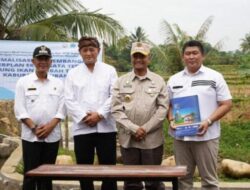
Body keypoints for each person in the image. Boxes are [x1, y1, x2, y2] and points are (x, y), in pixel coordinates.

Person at [167, 40, 232, 190]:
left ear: (202, 56)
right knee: (183, 179)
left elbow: (226, 104)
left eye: (195, 53)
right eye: (188, 53)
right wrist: (171, 119)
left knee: (209, 180)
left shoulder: (215, 77)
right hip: (181, 137)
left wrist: (208, 121)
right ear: (183, 57)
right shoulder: (174, 79)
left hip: (206, 136)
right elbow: (168, 104)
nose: (191, 57)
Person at [111, 42, 168, 190]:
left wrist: (145, 129)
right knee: (131, 182)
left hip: (152, 140)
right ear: (131, 58)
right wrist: (133, 128)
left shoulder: (158, 81)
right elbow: (116, 109)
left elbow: (163, 108)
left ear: (149, 58)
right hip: (129, 139)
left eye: (142, 56)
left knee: (153, 182)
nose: (138, 59)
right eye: (135, 56)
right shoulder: (121, 81)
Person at [64, 36, 118, 190]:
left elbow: (114, 95)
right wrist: (84, 116)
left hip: (106, 128)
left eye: (92, 50)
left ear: (98, 51)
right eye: (85, 50)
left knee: (109, 170)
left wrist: (100, 114)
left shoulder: (109, 71)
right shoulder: (72, 74)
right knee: (83, 169)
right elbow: (69, 99)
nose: (88, 53)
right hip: (82, 128)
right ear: (80, 52)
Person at [14, 45, 66, 190]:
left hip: (52, 136)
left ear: (51, 62)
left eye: (46, 59)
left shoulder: (58, 83)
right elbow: (19, 109)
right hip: (31, 136)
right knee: (30, 174)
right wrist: (34, 128)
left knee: (47, 176)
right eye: (39, 59)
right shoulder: (23, 82)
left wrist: (50, 127)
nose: (42, 62)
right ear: (33, 61)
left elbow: (62, 109)